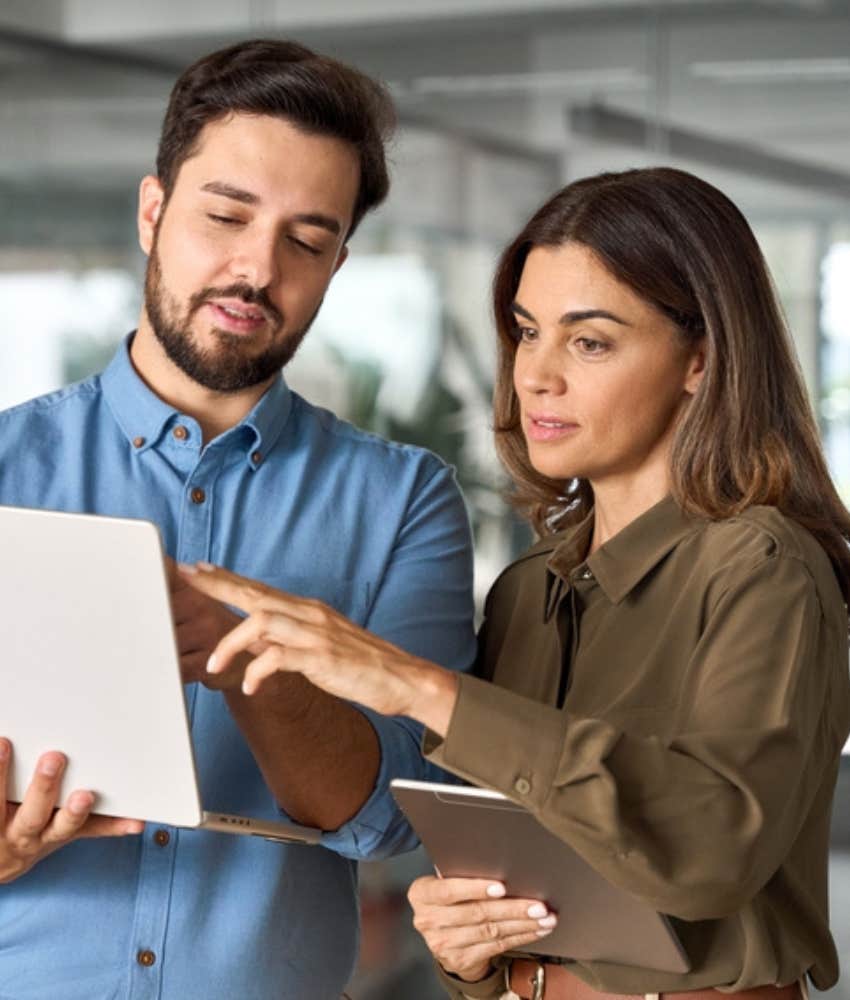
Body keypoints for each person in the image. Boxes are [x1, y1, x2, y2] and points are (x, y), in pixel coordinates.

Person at [181, 166, 850, 1000]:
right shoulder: (527, 590)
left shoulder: (765, 569)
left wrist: (415, 686)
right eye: (529, 332)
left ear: (701, 359)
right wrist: (467, 947)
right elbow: (513, 877)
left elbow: (711, 852)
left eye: (590, 340)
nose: (536, 374)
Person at [0, 38, 476, 1000]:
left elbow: (393, 819)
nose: (256, 270)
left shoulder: (404, 501)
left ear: (339, 263)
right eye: (225, 216)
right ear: (152, 212)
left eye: (306, 241)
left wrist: (247, 650)